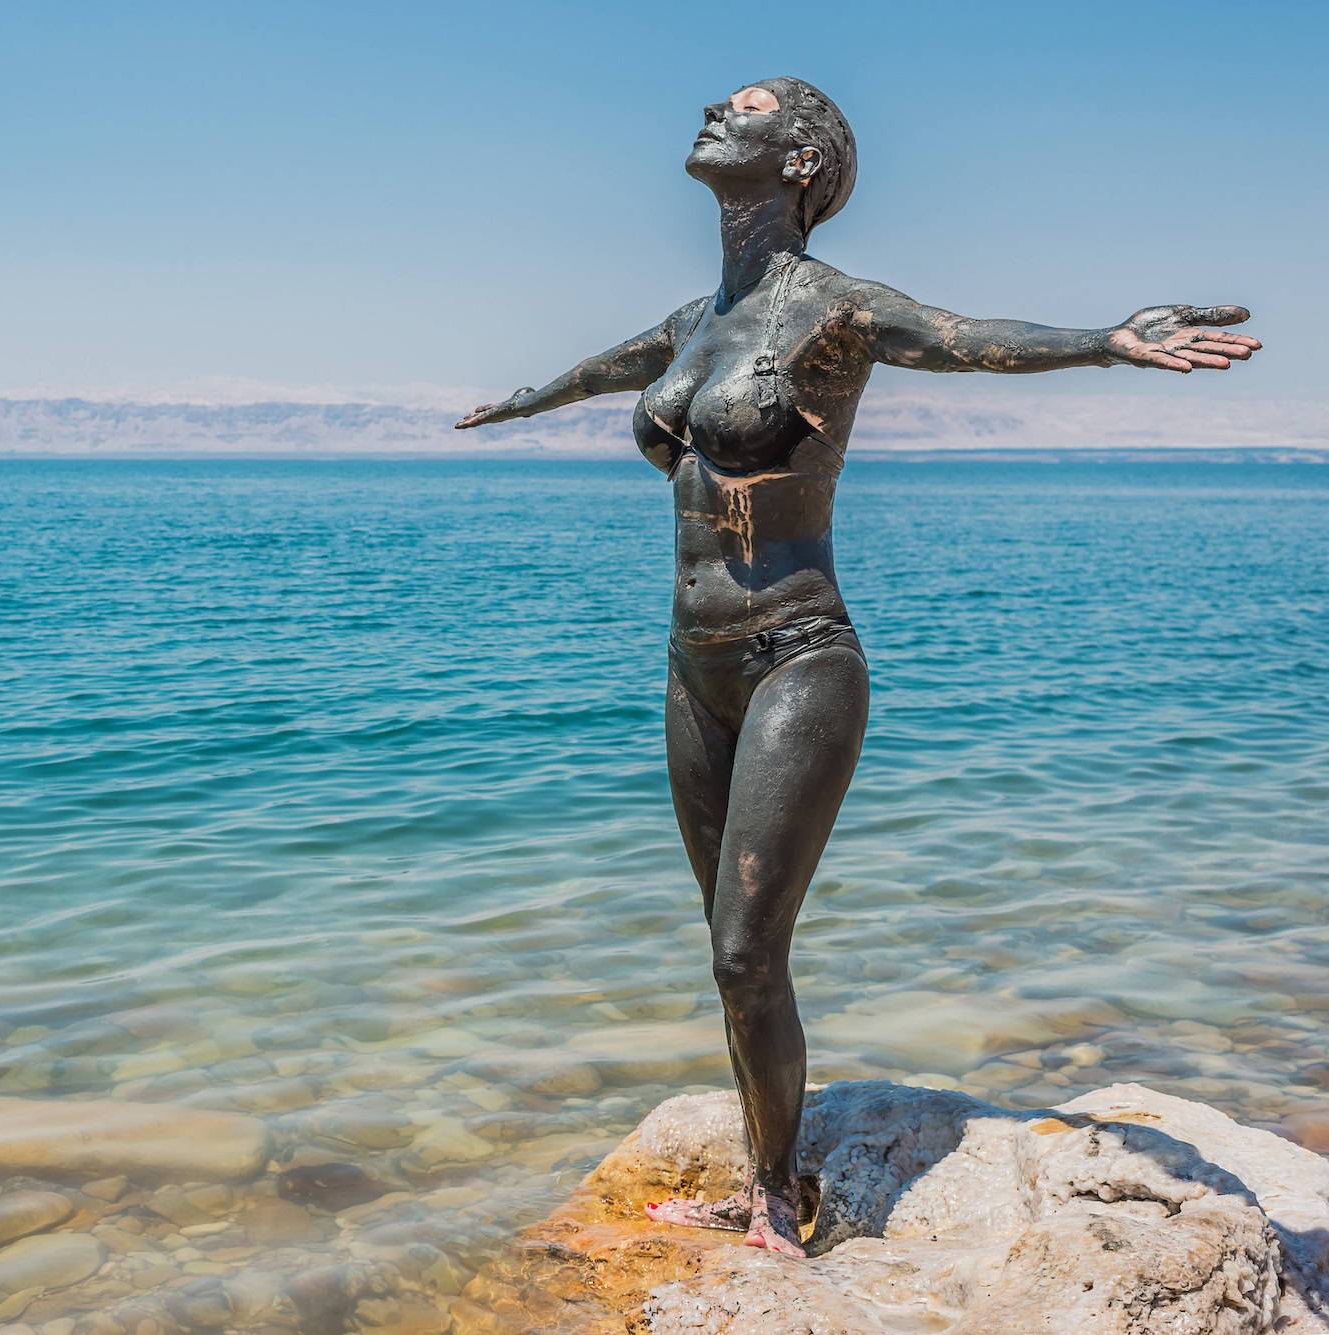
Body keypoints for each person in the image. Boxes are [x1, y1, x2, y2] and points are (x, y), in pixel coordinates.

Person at [453, 77, 1259, 1256]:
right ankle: (760, 1172)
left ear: (799, 159)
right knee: (731, 961)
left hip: (797, 654)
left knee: (744, 948)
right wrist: (519, 403)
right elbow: (600, 369)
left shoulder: (832, 310)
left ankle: (776, 1208)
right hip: (692, 666)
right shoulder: (693, 321)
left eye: (745, 110)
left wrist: (1105, 341)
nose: (709, 117)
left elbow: (962, 341)